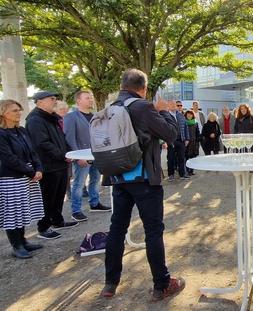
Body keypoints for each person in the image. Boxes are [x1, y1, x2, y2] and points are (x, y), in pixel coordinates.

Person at [101, 69, 184, 301]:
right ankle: (162, 284)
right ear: (143, 88)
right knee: (153, 231)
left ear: (122, 85)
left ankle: (110, 283)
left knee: (117, 229)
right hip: (144, 179)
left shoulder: (109, 108)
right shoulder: (143, 106)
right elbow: (170, 134)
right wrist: (165, 112)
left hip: (118, 177)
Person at [26, 91, 78, 240]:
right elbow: (42, 144)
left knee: (59, 195)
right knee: (47, 197)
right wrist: (62, 155)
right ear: (39, 102)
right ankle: (43, 227)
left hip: (59, 164)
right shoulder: (35, 120)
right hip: (48, 166)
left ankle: (57, 220)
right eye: (51, 99)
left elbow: (62, 139)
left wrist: (69, 153)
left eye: (55, 98)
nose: (55, 101)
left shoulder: (51, 118)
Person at [0, 100, 45, 259]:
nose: (19, 113)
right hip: (11, 178)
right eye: (14, 110)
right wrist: (30, 172)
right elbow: (8, 158)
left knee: (24, 210)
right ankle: (16, 246)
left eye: (19, 110)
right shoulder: (1, 134)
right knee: (13, 214)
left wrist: (38, 168)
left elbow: (33, 152)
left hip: (27, 175)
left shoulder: (21, 130)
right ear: (3, 113)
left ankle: (24, 241)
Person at [64, 90, 111, 222]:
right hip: (81, 156)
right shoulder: (71, 117)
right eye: (87, 98)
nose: (91, 100)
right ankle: (76, 210)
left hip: (96, 155)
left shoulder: (95, 116)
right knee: (79, 184)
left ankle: (95, 203)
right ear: (78, 100)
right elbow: (69, 138)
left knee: (95, 180)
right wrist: (78, 156)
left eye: (91, 98)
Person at [166, 100, 190, 181]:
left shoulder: (180, 115)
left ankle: (182, 174)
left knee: (181, 158)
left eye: (174, 104)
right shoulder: (165, 116)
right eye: (171, 104)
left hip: (181, 140)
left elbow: (186, 127)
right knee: (171, 158)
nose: (173, 106)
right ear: (168, 106)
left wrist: (187, 139)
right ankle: (171, 175)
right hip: (171, 141)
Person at [184, 110, 201, 175]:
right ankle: (186, 171)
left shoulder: (195, 122)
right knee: (186, 157)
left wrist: (198, 140)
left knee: (193, 157)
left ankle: (191, 171)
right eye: (188, 114)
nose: (189, 115)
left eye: (191, 114)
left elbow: (198, 132)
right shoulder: (184, 122)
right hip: (187, 143)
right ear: (186, 115)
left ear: (192, 115)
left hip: (194, 143)